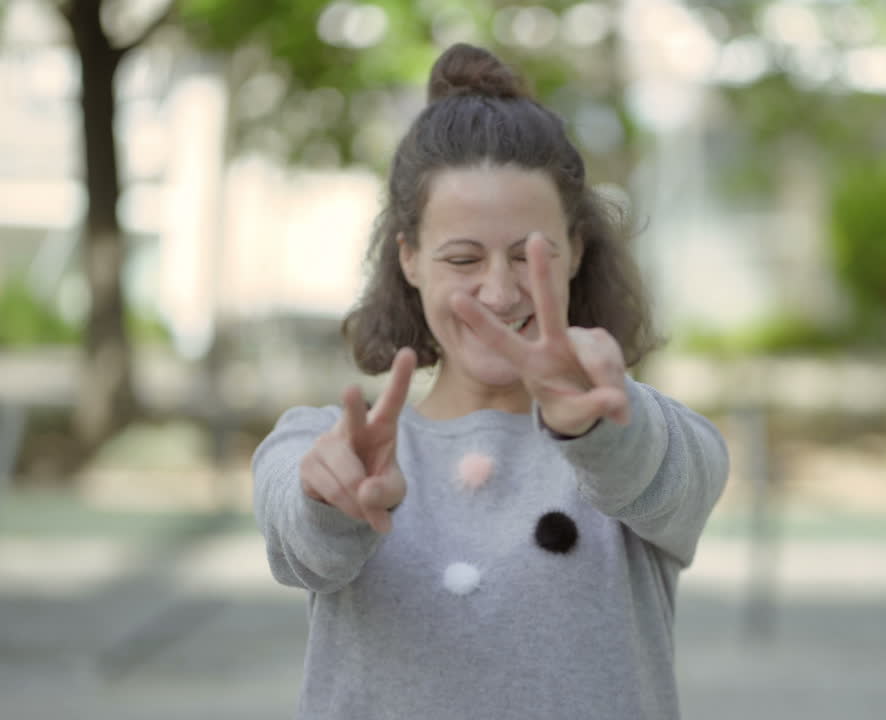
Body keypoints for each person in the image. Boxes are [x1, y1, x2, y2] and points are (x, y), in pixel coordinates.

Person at [251, 43, 729, 719]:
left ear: (576, 253)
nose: (499, 293)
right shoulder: (329, 441)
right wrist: (331, 498)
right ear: (410, 258)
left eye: (528, 257)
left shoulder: (640, 431)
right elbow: (298, 532)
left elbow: (671, 476)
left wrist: (594, 427)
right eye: (463, 258)